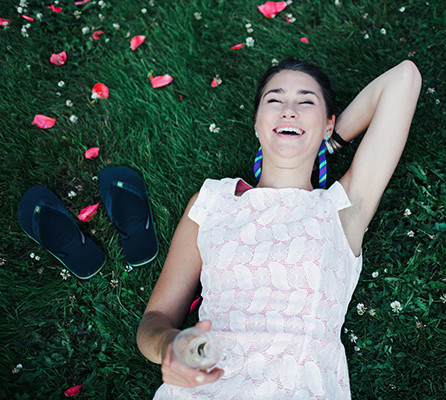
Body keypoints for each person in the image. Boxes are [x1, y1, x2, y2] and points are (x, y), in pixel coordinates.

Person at [136, 58, 421, 399]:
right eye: (275, 100)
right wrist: (172, 346)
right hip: (205, 386)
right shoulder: (211, 202)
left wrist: (330, 141)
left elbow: (404, 78)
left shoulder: (342, 209)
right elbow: (156, 318)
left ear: (329, 123)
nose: (289, 110)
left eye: (306, 101)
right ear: (257, 123)